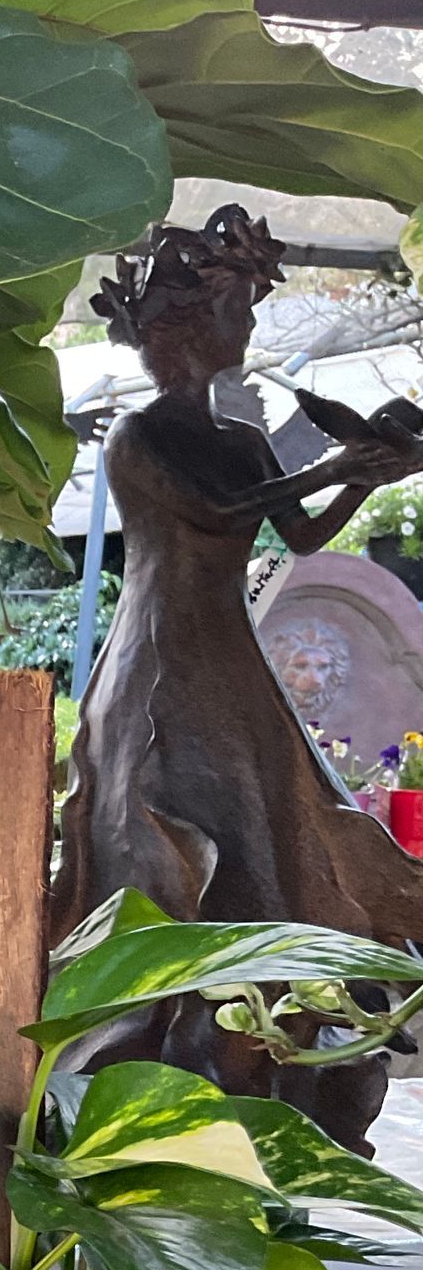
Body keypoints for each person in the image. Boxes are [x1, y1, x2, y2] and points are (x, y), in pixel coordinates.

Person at [52, 205, 423, 1148]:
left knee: (267, 828)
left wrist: (360, 478)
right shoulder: (142, 436)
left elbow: (297, 535)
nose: (247, 331)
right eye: (235, 314)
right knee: (162, 833)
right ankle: (148, 1043)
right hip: (159, 663)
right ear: (182, 329)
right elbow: (219, 509)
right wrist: (332, 464)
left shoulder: (241, 433)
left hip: (229, 661)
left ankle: (265, 1051)